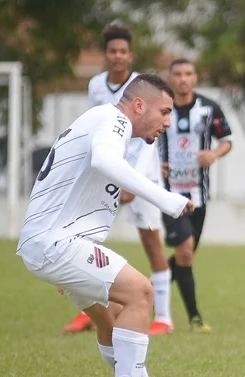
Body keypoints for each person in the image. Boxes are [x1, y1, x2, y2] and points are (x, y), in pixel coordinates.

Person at [17, 74, 201, 377]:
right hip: (57, 242)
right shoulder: (113, 120)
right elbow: (104, 161)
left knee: (113, 315)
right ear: (139, 105)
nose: (167, 122)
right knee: (141, 292)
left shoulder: (102, 121)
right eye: (164, 111)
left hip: (52, 241)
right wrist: (166, 199)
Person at [63, 24, 176, 336]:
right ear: (105, 55)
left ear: (130, 55)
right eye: (112, 51)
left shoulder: (143, 87)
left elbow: (147, 139)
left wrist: (131, 180)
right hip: (107, 170)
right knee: (85, 237)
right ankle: (89, 310)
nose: (117, 56)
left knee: (151, 240)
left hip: (140, 174)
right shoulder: (96, 85)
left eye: (123, 51)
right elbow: (95, 127)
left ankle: (164, 317)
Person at [159, 58, 234, 333]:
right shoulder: (159, 107)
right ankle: (195, 318)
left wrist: (214, 154)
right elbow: (139, 140)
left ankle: (148, 287)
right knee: (185, 251)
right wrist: (155, 163)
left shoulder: (208, 108)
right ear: (169, 77)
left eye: (188, 74)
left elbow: (227, 140)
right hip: (168, 195)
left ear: (195, 78)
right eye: (177, 74)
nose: (182, 79)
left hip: (199, 195)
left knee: (185, 256)